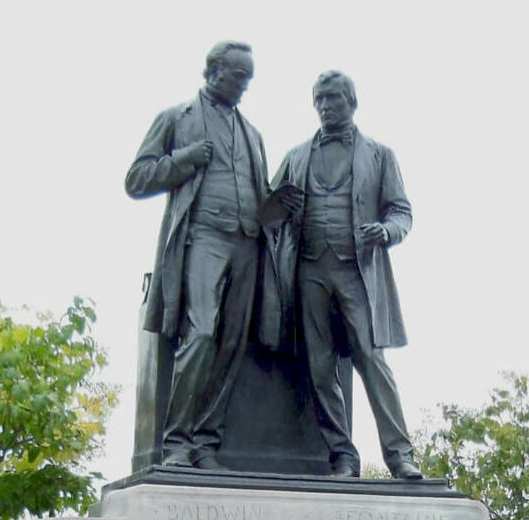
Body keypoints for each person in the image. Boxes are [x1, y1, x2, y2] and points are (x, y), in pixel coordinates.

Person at [263, 70, 422, 479]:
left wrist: (386, 231)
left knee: (372, 360)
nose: (324, 106)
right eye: (318, 99)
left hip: (358, 272)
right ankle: (343, 456)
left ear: (351, 101)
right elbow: (267, 211)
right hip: (310, 270)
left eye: (332, 98)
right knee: (320, 367)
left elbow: (402, 211)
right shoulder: (297, 156)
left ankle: (399, 454)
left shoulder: (379, 154)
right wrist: (281, 207)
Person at [125, 41, 269, 470]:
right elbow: (137, 179)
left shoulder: (254, 134)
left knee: (231, 345)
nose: (244, 86)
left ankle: (206, 442)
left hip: (248, 244)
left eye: (249, 78)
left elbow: (261, 196)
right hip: (202, 237)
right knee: (201, 333)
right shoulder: (176, 118)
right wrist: (185, 159)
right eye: (237, 76)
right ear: (213, 71)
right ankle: (176, 442)